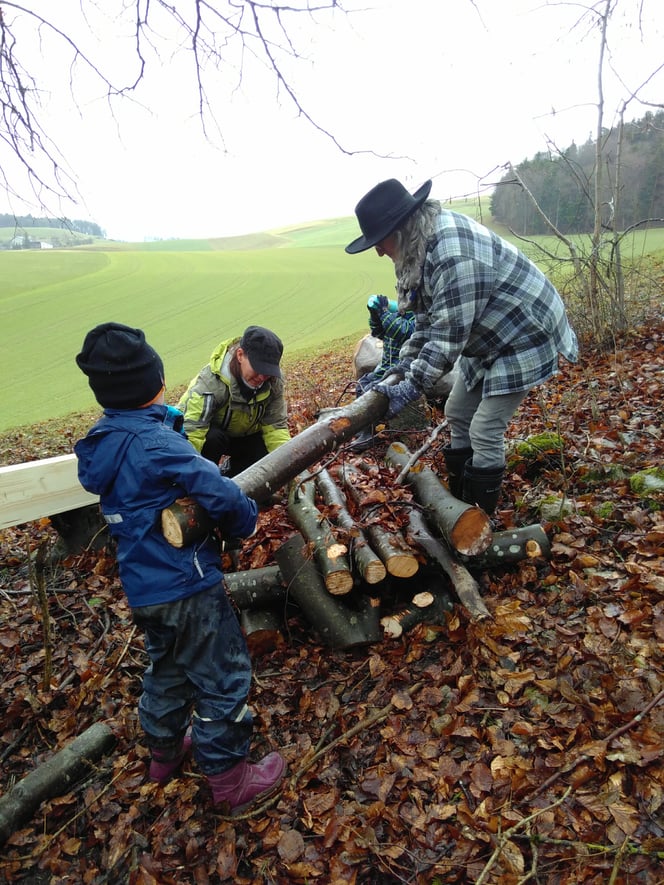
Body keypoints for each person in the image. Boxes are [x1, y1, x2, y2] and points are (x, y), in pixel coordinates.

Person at [74, 322, 286, 812]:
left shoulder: (104, 442)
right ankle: (230, 780)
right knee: (224, 676)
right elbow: (218, 491)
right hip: (187, 582)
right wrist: (246, 519)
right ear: (157, 381)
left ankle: (164, 753)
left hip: (145, 587)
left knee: (166, 669)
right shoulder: (160, 444)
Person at [345, 178, 579, 515]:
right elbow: (426, 320)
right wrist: (398, 371)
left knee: (485, 428)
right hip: (484, 336)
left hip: (524, 332)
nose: (379, 251)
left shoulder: (453, 255)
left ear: (398, 230)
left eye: (379, 242)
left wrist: (410, 386)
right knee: (457, 411)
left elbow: (446, 338)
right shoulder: (420, 248)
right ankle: (458, 510)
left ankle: (480, 523)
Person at [177, 326, 290, 476]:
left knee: (262, 448)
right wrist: (187, 476)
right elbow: (192, 433)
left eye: (268, 371)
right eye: (258, 368)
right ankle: (206, 479)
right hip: (210, 436)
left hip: (243, 436)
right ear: (240, 355)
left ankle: (234, 481)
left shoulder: (274, 382)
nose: (262, 377)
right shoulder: (210, 384)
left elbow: (276, 427)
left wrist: (289, 465)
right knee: (212, 439)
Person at [350, 294, 416, 452]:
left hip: (400, 371)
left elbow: (402, 331)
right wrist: (375, 314)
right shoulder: (395, 315)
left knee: (371, 391)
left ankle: (369, 432)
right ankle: (362, 426)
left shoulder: (416, 319)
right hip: (384, 368)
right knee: (362, 383)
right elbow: (378, 332)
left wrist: (384, 312)